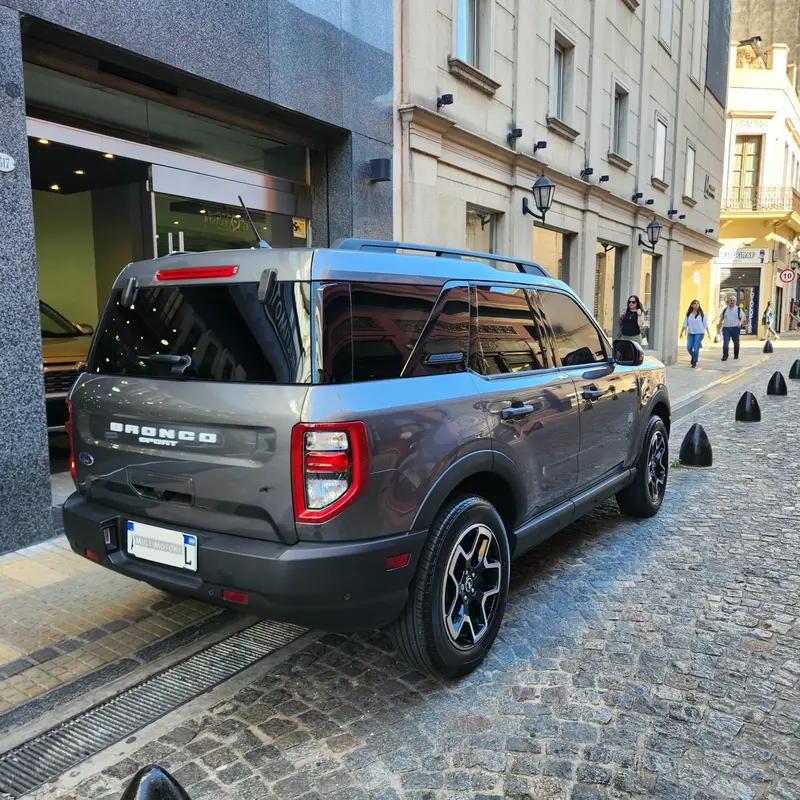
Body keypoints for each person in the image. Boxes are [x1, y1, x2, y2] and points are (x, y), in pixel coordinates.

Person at [679, 299, 711, 368]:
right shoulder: (688, 314)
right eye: (695, 303)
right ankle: (694, 357)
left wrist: (708, 333)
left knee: (696, 347)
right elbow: (685, 324)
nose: (696, 305)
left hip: (699, 333)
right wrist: (681, 332)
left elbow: (706, 324)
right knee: (689, 347)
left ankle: (694, 362)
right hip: (690, 333)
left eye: (697, 303)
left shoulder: (702, 314)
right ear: (692, 305)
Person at [717, 295, 745, 361]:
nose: (732, 301)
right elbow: (721, 319)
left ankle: (736, 354)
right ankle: (725, 356)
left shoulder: (738, 309)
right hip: (726, 328)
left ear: (735, 302)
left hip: (735, 328)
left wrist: (740, 323)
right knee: (726, 342)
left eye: (733, 300)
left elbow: (743, 317)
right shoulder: (725, 310)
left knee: (736, 342)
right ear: (728, 301)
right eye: (731, 300)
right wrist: (719, 329)